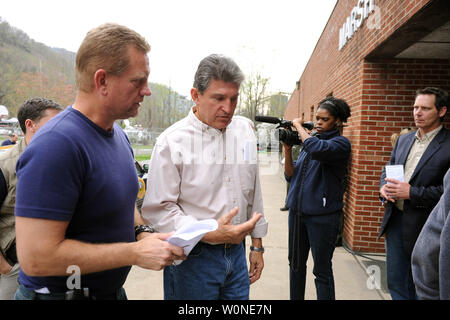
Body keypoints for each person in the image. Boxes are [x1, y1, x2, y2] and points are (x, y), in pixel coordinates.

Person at [13, 23, 185, 300]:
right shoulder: (56, 146)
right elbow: (36, 258)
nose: (147, 90)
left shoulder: (117, 134)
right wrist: (133, 253)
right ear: (102, 80)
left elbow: (120, 200)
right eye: (137, 81)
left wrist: (141, 233)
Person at [141, 54, 267, 300]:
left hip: (238, 257)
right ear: (196, 95)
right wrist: (206, 233)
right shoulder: (171, 142)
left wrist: (257, 245)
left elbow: (253, 190)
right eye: (219, 98)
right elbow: (159, 210)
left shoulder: (244, 130)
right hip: (192, 259)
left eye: (234, 99)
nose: (228, 108)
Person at [378, 87, 450, 300]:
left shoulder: (448, 145)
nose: (417, 113)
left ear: (442, 111)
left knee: (422, 287)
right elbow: (388, 167)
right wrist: (384, 187)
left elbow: (446, 192)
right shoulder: (404, 139)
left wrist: (412, 193)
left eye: (425, 108)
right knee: (396, 284)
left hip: (427, 226)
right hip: (395, 221)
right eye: (415, 107)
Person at [283, 96, 351, 300]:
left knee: (321, 271)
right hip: (297, 214)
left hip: (322, 217)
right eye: (317, 118)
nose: (319, 123)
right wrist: (287, 150)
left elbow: (316, 149)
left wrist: (297, 125)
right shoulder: (311, 142)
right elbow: (290, 175)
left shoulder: (340, 144)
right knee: (295, 266)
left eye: (324, 119)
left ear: (337, 121)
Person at [0, 97, 62, 300]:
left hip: (51, 265)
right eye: (53, 122)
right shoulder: (5, 165)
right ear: (30, 125)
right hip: (13, 266)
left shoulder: (60, 159)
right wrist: (4, 265)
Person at [411, 168, 450, 299]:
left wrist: (412, 192)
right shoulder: (402, 145)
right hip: (397, 218)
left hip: (421, 216)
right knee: (397, 282)